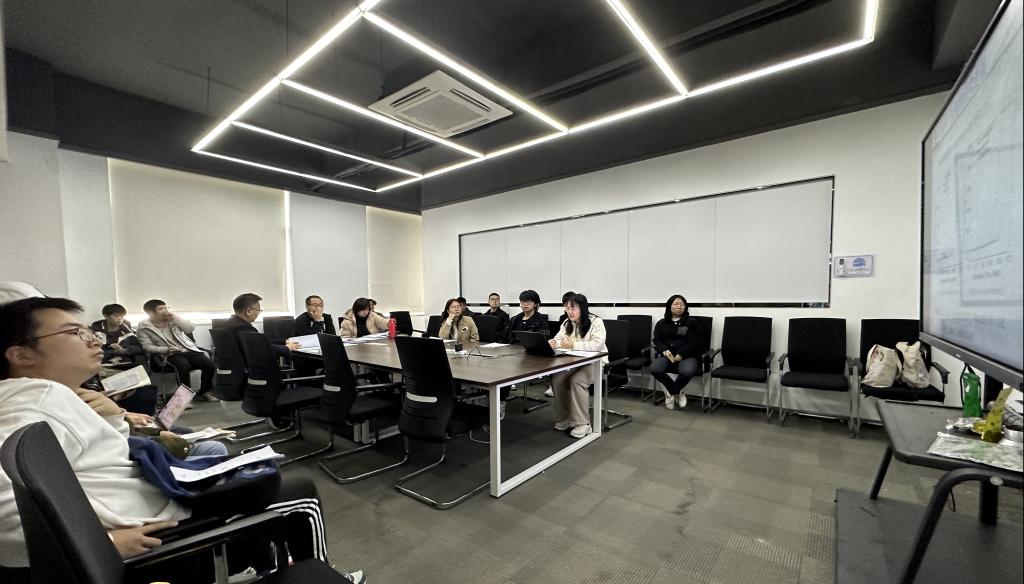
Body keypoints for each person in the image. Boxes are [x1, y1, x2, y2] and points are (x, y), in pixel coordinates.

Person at [0, 297, 365, 583]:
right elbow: (7, 506)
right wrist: (102, 544)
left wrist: (113, 416)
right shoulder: (31, 407)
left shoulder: (54, 396)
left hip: (159, 495)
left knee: (242, 465)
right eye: (74, 333)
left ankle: (269, 562)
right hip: (159, 526)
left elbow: (98, 455)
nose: (94, 339)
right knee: (300, 492)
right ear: (21, 355)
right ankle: (318, 573)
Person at [549, 294, 607, 438]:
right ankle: (565, 418)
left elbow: (597, 345)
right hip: (573, 362)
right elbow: (559, 339)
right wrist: (553, 343)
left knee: (577, 381)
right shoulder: (566, 323)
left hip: (595, 362)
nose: (569, 311)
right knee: (557, 378)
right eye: (567, 308)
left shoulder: (596, 322)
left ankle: (583, 423)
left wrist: (573, 345)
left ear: (583, 308)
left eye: (573, 308)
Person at [136, 299, 218, 401]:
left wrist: (175, 317)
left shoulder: (172, 320)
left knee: (209, 365)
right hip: (167, 354)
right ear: (151, 313)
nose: (165, 311)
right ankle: (184, 398)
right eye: (161, 309)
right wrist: (166, 349)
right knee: (183, 366)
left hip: (187, 350)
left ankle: (205, 392)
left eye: (166, 308)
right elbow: (147, 347)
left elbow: (189, 328)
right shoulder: (144, 326)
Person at [651, 294, 706, 410]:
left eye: (682, 304)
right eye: (676, 304)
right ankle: (677, 391)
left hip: (687, 355)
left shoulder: (692, 322)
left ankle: (671, 392)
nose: (679, 307)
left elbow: (697, 342)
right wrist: (663, 350)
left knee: (687, 371)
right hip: (668, 356)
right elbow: (657, 340)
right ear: (669, 307)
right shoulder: (661, 323)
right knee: (654, 369)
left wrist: (682, 354)